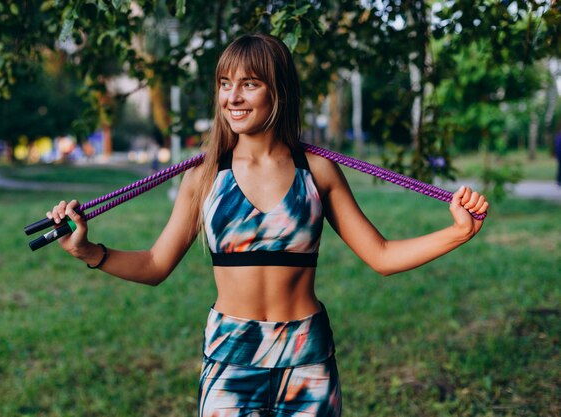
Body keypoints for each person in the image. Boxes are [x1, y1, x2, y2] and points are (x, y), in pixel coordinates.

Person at [47, 34, 489, 417]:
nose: (232, 97)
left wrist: (459, 232)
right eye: (224, 84)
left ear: (277, 92)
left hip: (306, 356)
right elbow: (155, 264)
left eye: (249, 84)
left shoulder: (317, 171)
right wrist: (89, 252)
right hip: (230, 355)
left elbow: (382, 256)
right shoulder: (203, 175)